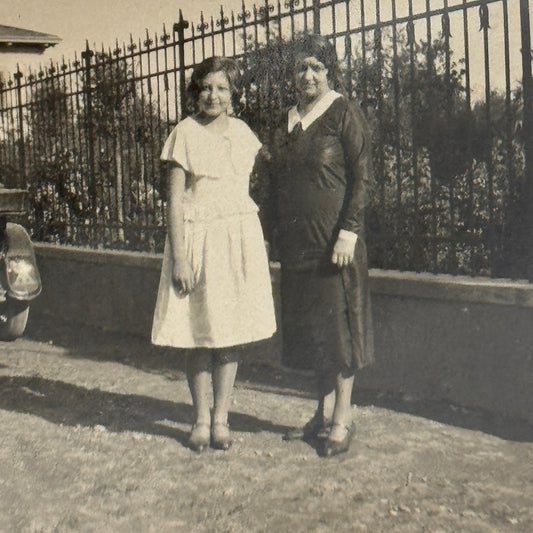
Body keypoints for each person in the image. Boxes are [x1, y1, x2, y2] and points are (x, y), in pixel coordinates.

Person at [152, 57, 276, 452]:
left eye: (222, 88)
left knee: (229, 333)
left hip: (235, 243)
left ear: (233, 94)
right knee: (199, 333)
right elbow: (174, 202)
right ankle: (200, 419)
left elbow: (245, 192)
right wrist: (180, 258)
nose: (213, 95)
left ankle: (221, 417)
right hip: (198, 243)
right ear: (195, 92)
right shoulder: (184, 133)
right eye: (206, 87)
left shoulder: (243, 134)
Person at [266, 34, 374, 457]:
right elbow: (275, 183)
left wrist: (349, 231)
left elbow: (362, 177)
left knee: (339, 334)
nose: (307, 75)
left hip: (335, 246)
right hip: (298, 247)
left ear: (330, 71)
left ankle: (342, 420)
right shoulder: (288, 120)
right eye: (300, 67)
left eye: (316, 66)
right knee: (314, 334)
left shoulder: (343, 111)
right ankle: (321, 414)